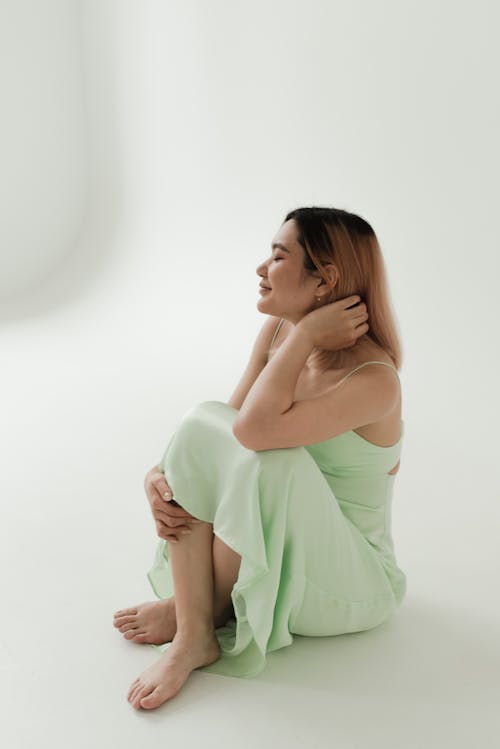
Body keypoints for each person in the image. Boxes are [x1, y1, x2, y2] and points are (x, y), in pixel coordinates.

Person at [113, 206, 406, 710]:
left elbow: (252, 433)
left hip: (351, 581)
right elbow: (216, 436)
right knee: (204, 420)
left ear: (325, 279)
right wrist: (158, 477)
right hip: (277, 548)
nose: (260, 269)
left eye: (277, 256)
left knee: (275, 458)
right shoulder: (277, 335)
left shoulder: (374, 380)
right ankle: (196, 623)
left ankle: (196, 621)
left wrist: (310, 334)